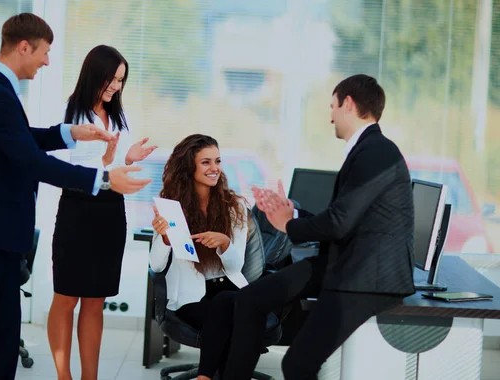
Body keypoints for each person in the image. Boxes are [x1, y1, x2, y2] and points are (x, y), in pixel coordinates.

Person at [0, 13, 150, 380]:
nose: (47, 60)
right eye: (44, 52)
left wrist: (68, 133)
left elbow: (21, 137)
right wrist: (104, 180)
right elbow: (30, 160)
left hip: (3, 231)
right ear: (24, 47)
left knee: (4, 332)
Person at [219, 74, 415, 379]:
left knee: (297, 364)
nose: (331, 116)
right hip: (346, 261)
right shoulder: (368, 148)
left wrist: (288, 225)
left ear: (348, 104)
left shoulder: (376, 152)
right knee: (250, 299)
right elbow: (342, 217)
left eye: (333, 106)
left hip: (366, 277)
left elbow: (338, 224)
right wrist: (292, 213)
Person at [47, 45, 157, 380]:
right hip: (78, 210)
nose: (116, 86)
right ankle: (63, 375)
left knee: (96, 300)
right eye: (112, 78)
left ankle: (88, 378)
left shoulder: (119, 115)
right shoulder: (71, 111)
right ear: (95, 73)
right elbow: (64, 167)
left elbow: (113, 166)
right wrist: (108, 163)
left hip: (111, 212)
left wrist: (128, 157)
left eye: (121, 80)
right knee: (67, 297)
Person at [150, 134, 249, 379]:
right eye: (206, 162)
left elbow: (238, 266)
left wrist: (225, 244)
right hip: (192, 296)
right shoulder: (171, 206)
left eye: (217, 161)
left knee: (227, 302)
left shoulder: (234, 206)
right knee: (232, 319)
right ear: (189, 167)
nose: (214, 168)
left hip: (229, 288)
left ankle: (204, 377)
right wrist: (164, 238)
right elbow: (156, 264)